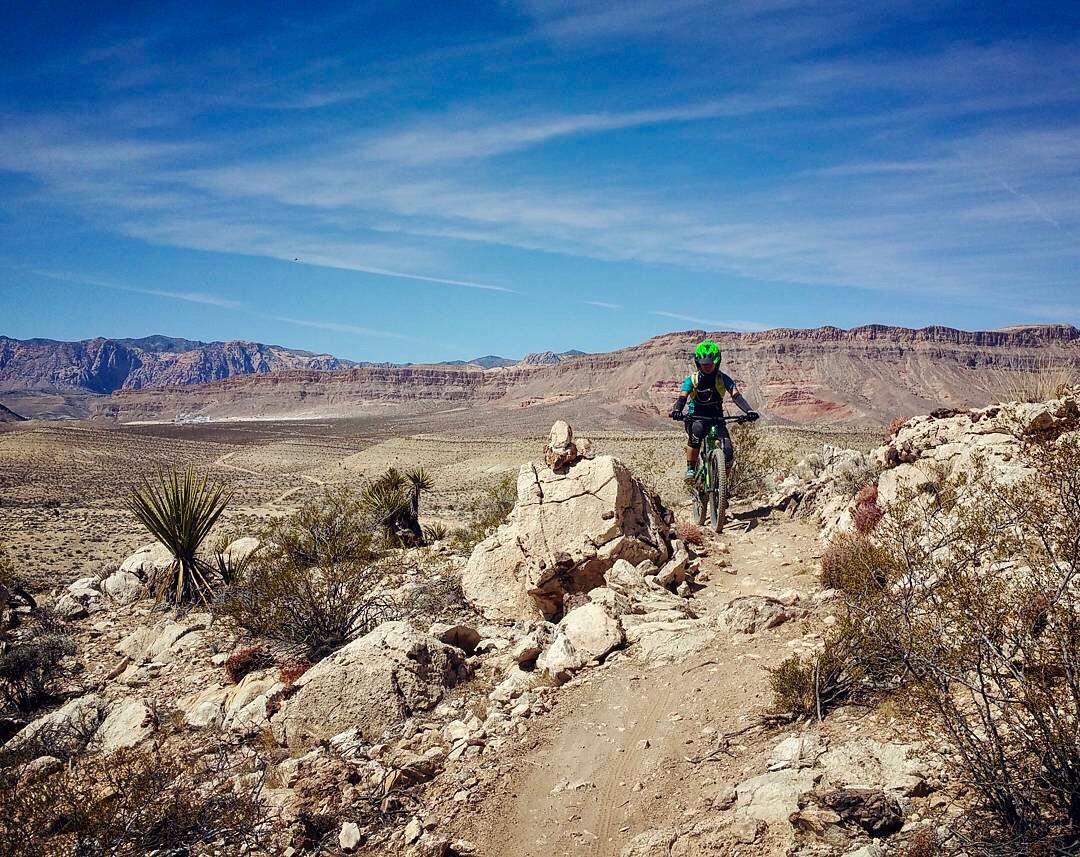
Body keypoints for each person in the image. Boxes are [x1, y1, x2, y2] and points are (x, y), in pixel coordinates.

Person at [669, 340, 759, 482]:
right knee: (697, 432)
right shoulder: (692, 380)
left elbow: (736, 396)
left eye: (710, 364)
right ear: (698, 363)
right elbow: (682, 398)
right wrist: (677, 410)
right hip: (696, 417)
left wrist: (749, 411)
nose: (707, 367)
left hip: (716, 417)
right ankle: (691, 469)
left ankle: (722, 484)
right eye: (704, 364)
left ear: (716, 363)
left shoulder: (723, 379)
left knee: (728, 451)